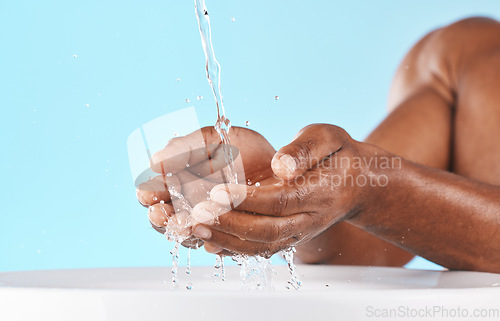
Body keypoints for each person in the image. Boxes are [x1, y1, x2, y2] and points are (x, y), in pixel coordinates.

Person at [137, 17, 500, 273]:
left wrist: (367, 183)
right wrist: (296, 197)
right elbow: (366, 244)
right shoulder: (462, 59)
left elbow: (374, 188)